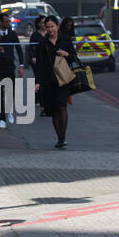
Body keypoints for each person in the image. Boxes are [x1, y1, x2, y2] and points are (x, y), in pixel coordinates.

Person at [35, 15, 77, 149]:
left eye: (52, 27)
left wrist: (67, 55)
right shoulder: (43, 43)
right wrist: (37, 82)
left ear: (57, 26)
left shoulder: (65, 40)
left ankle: (63, 136)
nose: (50, 29)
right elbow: (40, 65)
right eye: (47, 27)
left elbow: (74, 58)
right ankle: (59, 137)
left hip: (63, 79)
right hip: (49, 80)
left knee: (61, 105)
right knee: (53, 109)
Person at [0, 13, 25, 129]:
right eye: (6, 21)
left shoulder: (12, 34)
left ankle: (9, 111)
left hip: (9, 66)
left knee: (9, 90)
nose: (8, 23)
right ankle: (2, 118)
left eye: (9, 21)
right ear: (0, 22)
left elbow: (19, 50)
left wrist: (21, 66)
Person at [28, 15, 46, 116]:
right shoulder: (35, 35)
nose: (45, 24)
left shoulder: (48, 33)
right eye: (43, 22)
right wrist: (32, 57)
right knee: (38, 79)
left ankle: (45, 99)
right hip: (37, 61)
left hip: (47, 61)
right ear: (39, 24)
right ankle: (38, 98)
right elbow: (30, 48)